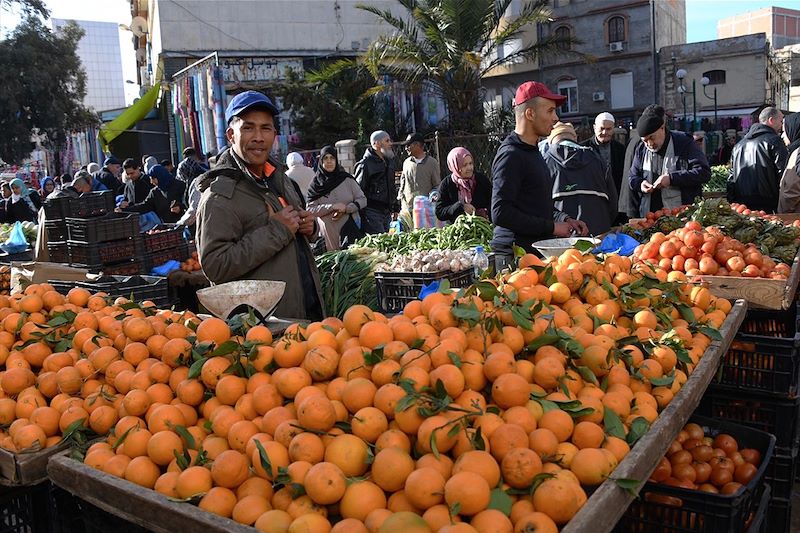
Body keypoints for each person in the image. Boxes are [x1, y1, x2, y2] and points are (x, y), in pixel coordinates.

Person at [195, 90, 324, 320]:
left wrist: (310, 228)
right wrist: (277, 230)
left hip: (304, 313)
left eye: (266, 128)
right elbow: (216, 266)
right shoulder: (220, 196)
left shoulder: (281, 179)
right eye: (248, 127)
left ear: (274, 134)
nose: (258, 137)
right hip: (263, 331)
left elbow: (296, 232)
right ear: (231, 135)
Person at [490, 81, 588, 269]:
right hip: (514, 258)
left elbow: (533, 206)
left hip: (533, 254)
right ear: (530, 113)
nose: (556, 118)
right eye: (550, 111)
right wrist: (552, 227)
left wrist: (564, 220)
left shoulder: (533, 151)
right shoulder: (510, 155)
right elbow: (500, 212)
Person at [629, 105, 710, 217]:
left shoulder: (684, 143)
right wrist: (640, 183)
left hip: (681, 218)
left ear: (662, 128)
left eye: (652, 138)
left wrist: (671, 179)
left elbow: (703, 173)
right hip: (649, 217)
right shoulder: (641, 149)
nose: (649, 144)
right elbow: (632, 177)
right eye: (645, 140)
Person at [544, 122, 617, 235]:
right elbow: (613, 204)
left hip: (562, 240)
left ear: (550, 139)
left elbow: (538, 207)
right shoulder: (598, 160)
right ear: (574, 137)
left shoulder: (544, 162)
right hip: (599, 236)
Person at [306, 146, 367, 252]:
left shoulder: (347, 179)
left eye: (332, 158)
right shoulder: (315, 185)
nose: (329, 161)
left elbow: (362, 200)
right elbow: (310, 209)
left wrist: (347, 209)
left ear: (336, 160)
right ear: (321, 161)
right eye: (326, 158)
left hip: (350, 229)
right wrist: (332, 207)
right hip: (328, 235)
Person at [728, 107, 787, 213]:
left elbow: (731, 177)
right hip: (768, 204)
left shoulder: (739, 145)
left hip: (742, 205)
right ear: (771, 120)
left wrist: (732, 202)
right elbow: (783, 173)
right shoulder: (775, 141)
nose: (782, 126)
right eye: (781, 121)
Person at [581, 112, 626, 223]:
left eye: (609, 129)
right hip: (592, 201)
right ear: (594, 128)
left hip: (616, 199)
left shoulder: (620, 149)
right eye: (601, 128)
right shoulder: (583, 148)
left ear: (613, 129)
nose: (605, 132)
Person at [354, 130, 398, 234]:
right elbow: (358, 190)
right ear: (377, 144)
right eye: (387, 141)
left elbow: (391, 185)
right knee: (379, 244)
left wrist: (395, 207)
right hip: (371, 212)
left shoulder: (389, 162)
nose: (390, 144)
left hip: (386, 211)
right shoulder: (365, 164)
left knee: (388, 242)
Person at [435, 147, 491, 223]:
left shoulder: (481, 180)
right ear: (455, 166)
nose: (469, 168)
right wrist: (460, 207)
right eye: (464, 165)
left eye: (470, 163)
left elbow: (494, 201)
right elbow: (440, 212)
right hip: (458, 231)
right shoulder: (447, 184)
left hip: (483, 227)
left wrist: (485, 211)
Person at [119, 165, 185, 223]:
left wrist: (180, 208)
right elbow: (144, 206)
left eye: (153, 178)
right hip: (167, 225)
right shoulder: (155, 192)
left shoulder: (180, 186)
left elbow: (189, 203)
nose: (151, 182)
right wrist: (124, 210)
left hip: (184, 223)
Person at [398, 133, 441, 215]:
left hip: (426, 211)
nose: (406, 148)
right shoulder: (406, 163)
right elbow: (402, 184)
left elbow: (437, 185)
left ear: (417, 145)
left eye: (408, 145)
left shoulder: (432, 163)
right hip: (408, 209)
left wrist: (432, 199)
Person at [778, 112, 800, 213]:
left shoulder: (797, 153)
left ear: (794, 130)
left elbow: (791, 191)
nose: (782, 136)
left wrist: (784, 214)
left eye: (784, 131)